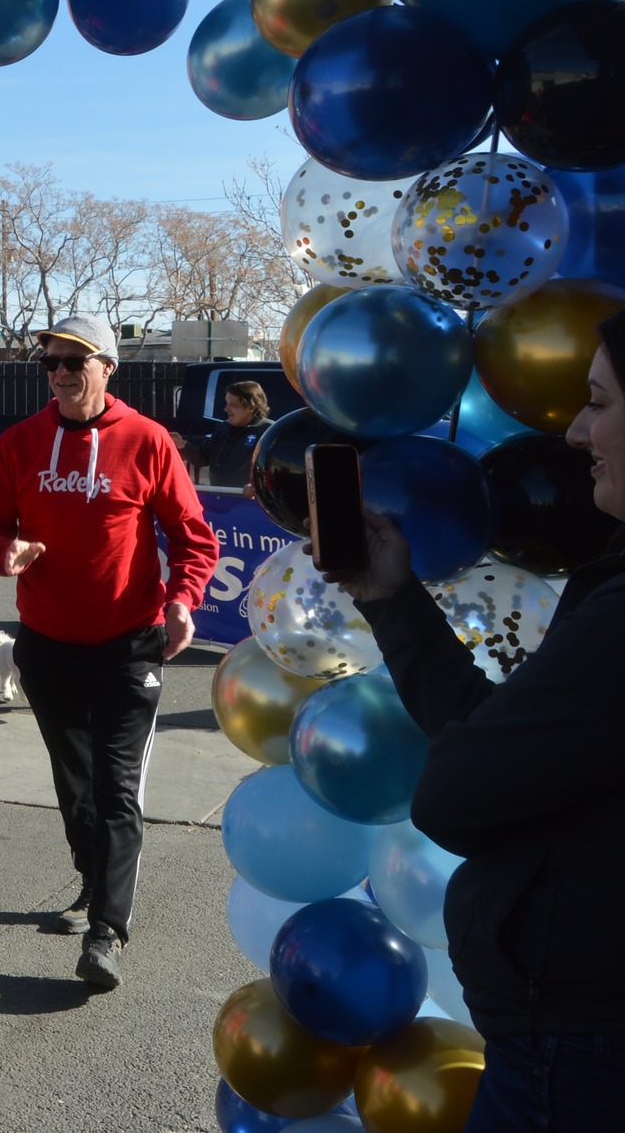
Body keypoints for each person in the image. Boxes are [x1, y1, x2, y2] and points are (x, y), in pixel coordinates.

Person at [323, 313, 625, 1129]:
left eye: (599, 403)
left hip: (580, 1056)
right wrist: (391, 599)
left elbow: (455, 793)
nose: (577, 432)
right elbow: (508, 739)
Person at [0, 314, 217, 991]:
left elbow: (193, 536)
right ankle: (91, 882)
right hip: (48, 644)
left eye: (73, 363)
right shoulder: (20, 444)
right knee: (74, 784)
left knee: (115, 790)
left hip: (128, 645)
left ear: (108, 367)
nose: (59, 373)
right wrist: (5, 553)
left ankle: (107, 931)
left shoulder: (145, 441)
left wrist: (181, 600)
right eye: (49, 363)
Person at [172, 380, 272, 489]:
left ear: (251, 407)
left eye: (232, 405)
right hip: (220, 500)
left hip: (249, 503)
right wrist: (182, 445)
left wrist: (257, 487)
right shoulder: (222, 429)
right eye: (227, 403)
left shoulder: (268, 432)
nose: (226, 409)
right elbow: (201, 459)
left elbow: (276, 470)